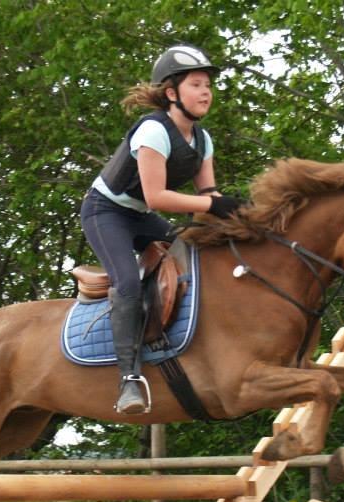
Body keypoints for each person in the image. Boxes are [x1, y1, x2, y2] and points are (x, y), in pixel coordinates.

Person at [80, 44, 242, 415]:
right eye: (197, 84)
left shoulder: (202, 139)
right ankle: (129, 379)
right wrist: (215, 204)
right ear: (172, 94)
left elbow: (208, 195)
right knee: (129, 282)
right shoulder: (154, 130)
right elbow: (156, 197)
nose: (206, 92)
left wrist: (238, 219)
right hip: (105, 213)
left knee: (196, 257)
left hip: (138, 215)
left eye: (208, 86)